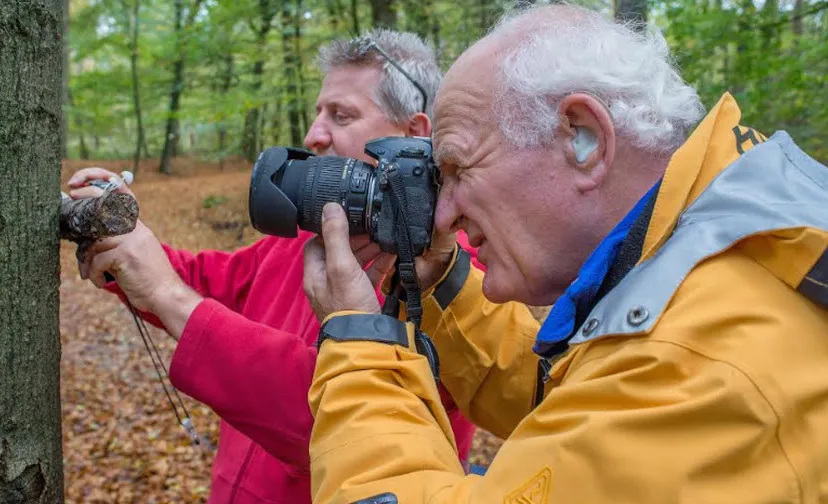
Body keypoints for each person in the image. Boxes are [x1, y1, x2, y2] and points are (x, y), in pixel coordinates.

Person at [301, 5, 828, 503]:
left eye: (460, 168)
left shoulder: (705, 363)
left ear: (585, 138)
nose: (445, 215)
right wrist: (443, 282)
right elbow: (579, 402)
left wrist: (358, 339)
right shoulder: (716, 249)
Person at [69, 29, 530, 504]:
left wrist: (168, 296)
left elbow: (328, 419)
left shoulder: (449, 282)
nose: (314, 135)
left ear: (413, 134)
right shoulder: (307, 239)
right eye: (317, 113)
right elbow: (206, 279)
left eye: (341, 115)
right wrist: (124, 243)